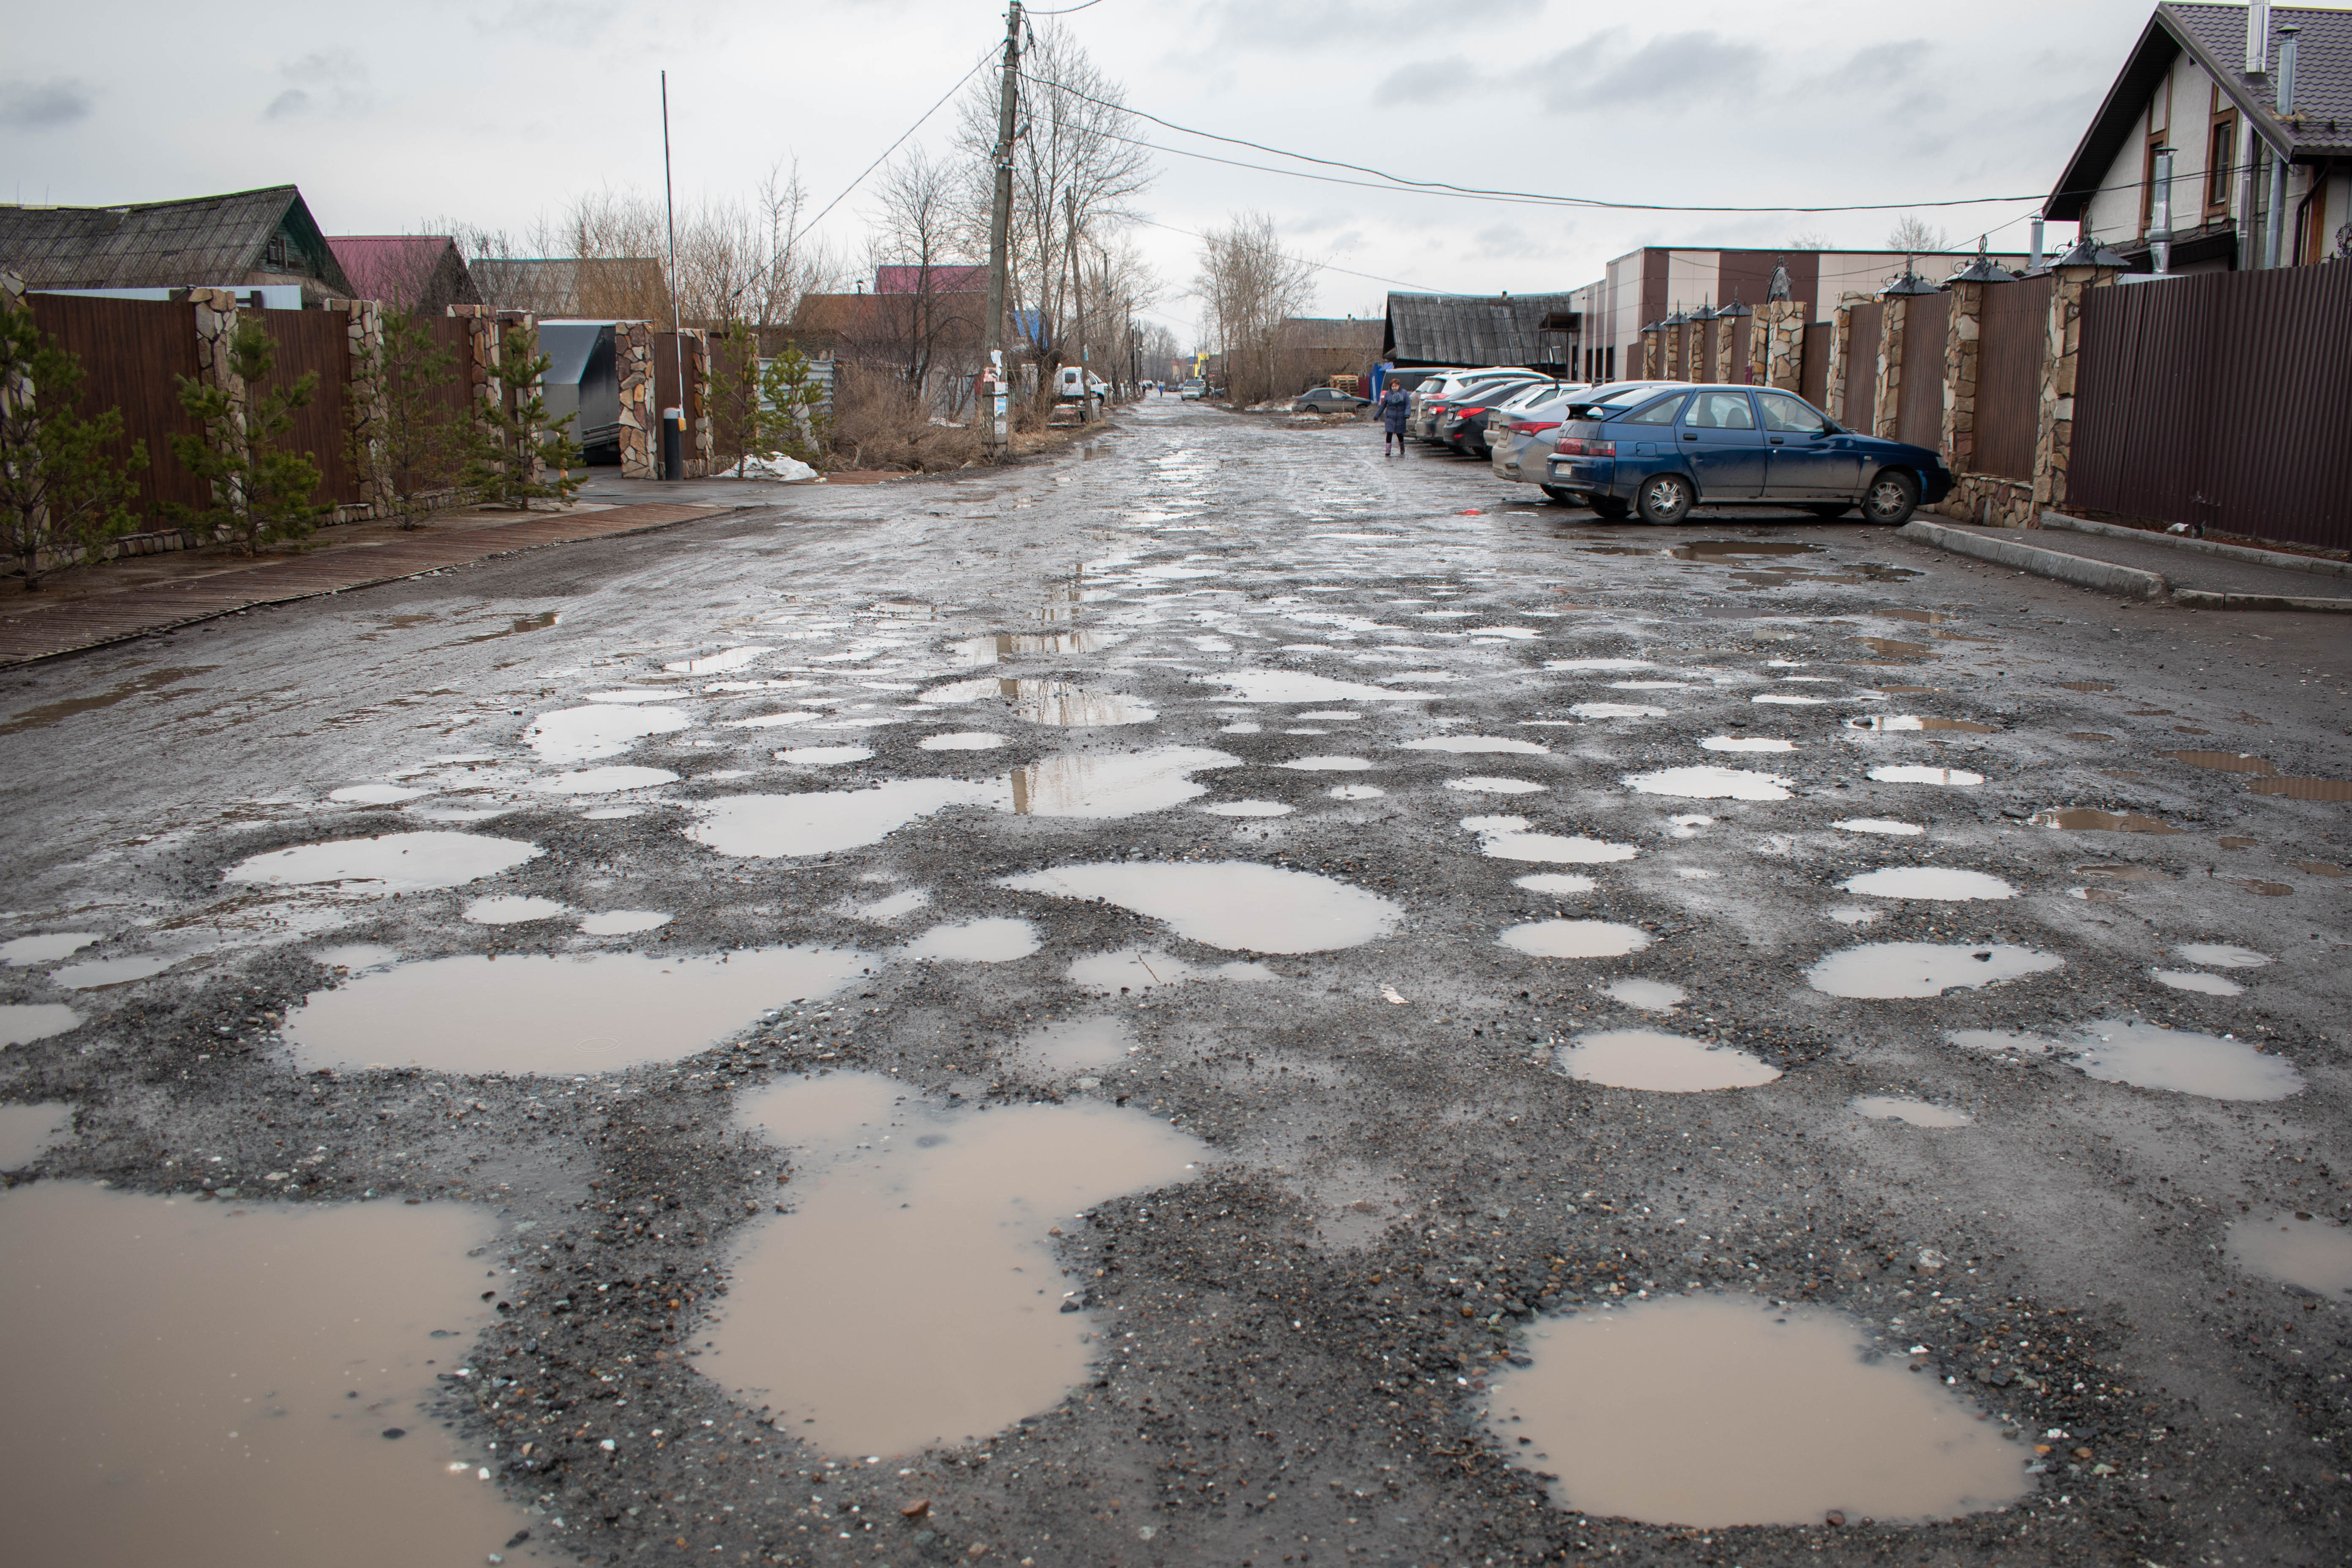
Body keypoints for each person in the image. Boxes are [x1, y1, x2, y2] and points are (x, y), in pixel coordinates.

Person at [1375, 380, 1411, 456]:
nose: (1395, 388)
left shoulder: (1404, 393)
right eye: (1393, 386)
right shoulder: (1388, 394)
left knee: (1399, 434)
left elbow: (1408, 404)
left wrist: (1407, 414)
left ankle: (1402, 447)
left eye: (1396, 386)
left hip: (1401, 417)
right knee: (1389, 433)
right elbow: (1383, 406)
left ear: (1399, 386)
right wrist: (1377, 415)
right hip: (1390, 417)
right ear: (1391, 387)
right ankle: (1388, 451)